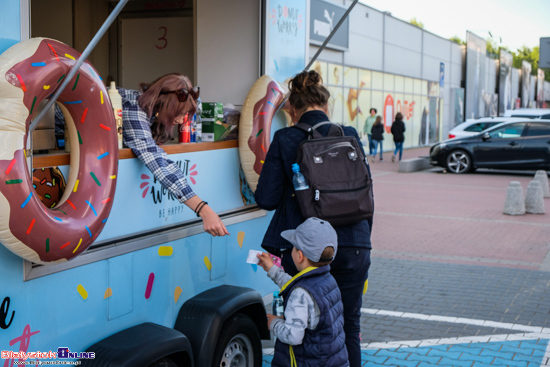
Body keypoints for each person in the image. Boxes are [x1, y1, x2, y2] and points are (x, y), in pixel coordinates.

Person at [255, 70, 372, 367]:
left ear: (292, 110)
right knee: (349, 327)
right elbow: (367, 195)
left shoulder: (285, 138)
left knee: (304, 327)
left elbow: (266, 199)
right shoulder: (350, 135)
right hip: (356, 245)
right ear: (326, 106)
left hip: (306, 252)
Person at [56, 73, 228, 236]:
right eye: (181, 113)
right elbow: (156, 159)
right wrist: (202, 209)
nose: (183, 120)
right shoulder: (133, 108)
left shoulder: (152, 111)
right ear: (165, 106)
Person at [257, 217, 348, 367]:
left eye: (293, 247)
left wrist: (274, 323)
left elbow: (293, 336)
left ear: (299, 255)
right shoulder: (327, 280)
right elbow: (296, 285)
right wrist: (272, 269)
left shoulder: (301, 293)